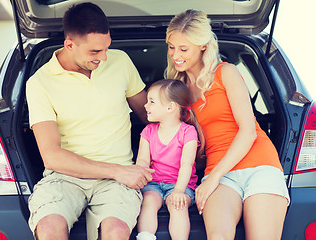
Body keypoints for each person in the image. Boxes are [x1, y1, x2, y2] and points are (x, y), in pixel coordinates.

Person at [25, 2, 154, 240]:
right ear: (69, 44)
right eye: (95, 52)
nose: (104, 58)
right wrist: (118, 171)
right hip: (64, 177)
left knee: (116, 231)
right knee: (48, 228)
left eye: (106, 49)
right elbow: (52, 156)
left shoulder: (120, 61)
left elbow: (150, 117)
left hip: (116, 183)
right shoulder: (39, 83)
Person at [165, 9, 290, 239]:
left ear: (203, 46)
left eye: (184, 49)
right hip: (219, 172)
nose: (175, 55)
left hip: (259, 165)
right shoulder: (176, 90)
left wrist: (211, 179)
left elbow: (248, 131)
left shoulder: (226, 72)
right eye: (172, 47)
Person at [135, 79, 204, 240]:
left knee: (177, 205)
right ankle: (145, 237)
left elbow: (186, 165)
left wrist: (179, 190)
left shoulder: (188, 132)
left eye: (151, 102)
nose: (145, 106)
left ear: (170, 107)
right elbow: (142, 162)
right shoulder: (148, 131)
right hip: (153, 183)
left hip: (180, 185)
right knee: (149, 202)